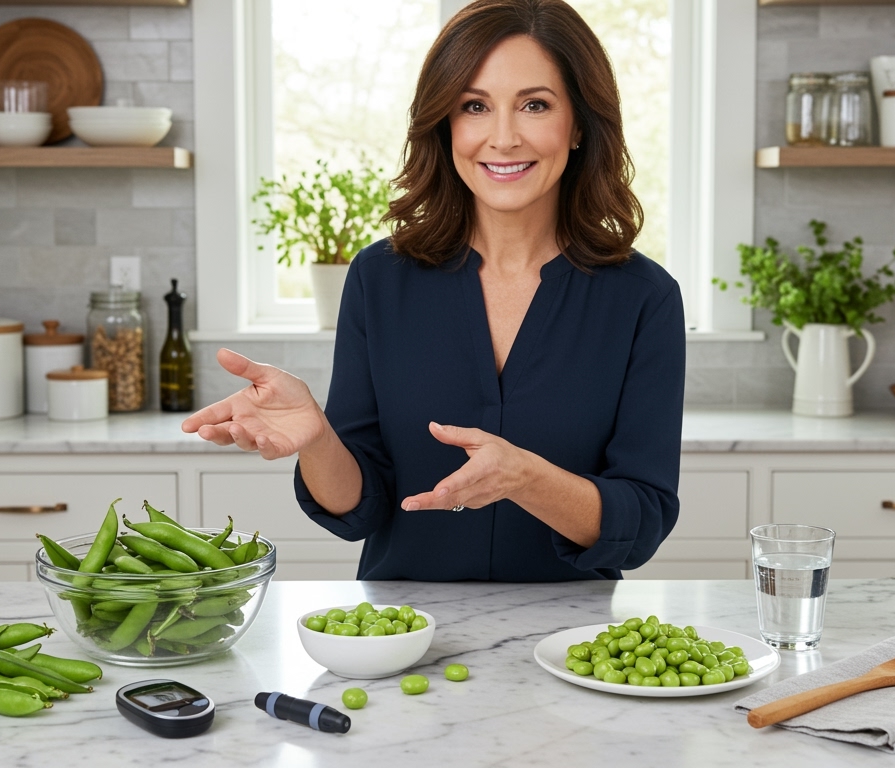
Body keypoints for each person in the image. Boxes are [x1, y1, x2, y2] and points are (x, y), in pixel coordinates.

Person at [183, 0, 685, 581]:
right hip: (401, 638)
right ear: (445, 123)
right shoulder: (379, 278)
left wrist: (524, 477)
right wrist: (317, 439)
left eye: (535, 105)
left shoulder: (644, 297)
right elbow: (360, 506)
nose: (502, 137)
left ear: (578, 126)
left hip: (575, 647)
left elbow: (642, 520)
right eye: (475, 106)